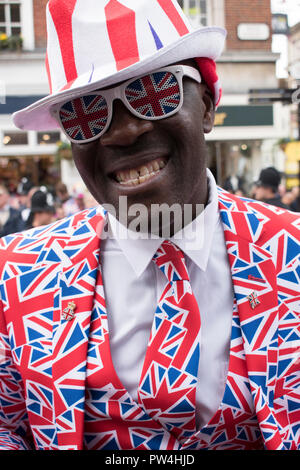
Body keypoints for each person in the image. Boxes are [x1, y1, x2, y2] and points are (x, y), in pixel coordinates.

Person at [0, 0, 299, 452]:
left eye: (155, 90)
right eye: (85, 113)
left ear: (207, 105)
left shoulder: (292, 249)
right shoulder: (15, 274)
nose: (122, 132)